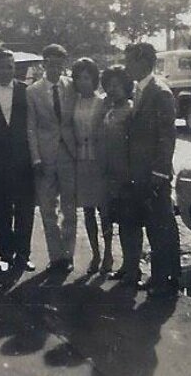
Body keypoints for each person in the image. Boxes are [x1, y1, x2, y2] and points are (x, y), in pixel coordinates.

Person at [125, 42, 181, 298]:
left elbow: (167, 137)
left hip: (154, 174)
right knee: (153, 224)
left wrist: (159, 174)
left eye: (130, 61)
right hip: (140, 172)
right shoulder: (139, 89)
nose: (126, 66)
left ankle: (167, 279)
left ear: (143, 62)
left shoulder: (160, 93)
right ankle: (161, 277)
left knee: (161, 226)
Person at [0, 49, 36, 273]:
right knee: (1, 211)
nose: (6, 70)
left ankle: (23, 254)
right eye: (2, 66)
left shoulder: (26, 91)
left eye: (10, 66)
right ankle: (5, 255)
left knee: (25, 210)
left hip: (23, 162)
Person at [27, 43, 78, 273]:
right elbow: (31, 127)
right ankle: (55, 256)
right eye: (51, 63)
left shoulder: (73, 87)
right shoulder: (33, 91)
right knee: (48, 208)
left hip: (69, 153)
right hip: (45, 157)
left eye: (59, 63)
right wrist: (35, 158)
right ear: (44, 63)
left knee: (69, 208)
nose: (55, 68)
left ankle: (68, 255)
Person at [101, 65, 143, 287]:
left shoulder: (131, 110)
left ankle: (134, 268)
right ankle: (127, 265)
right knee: (120, 223)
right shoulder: (110, 109)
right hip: (111, 176)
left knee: (131, 223)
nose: (112, 89)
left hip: (128, 175)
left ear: (126, 86)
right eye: (109, 85)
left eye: (117, 85)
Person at [71, 57, 112, 275]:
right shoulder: (74, 102)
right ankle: (95, 253)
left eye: (86, 78)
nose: (82, 82)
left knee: (103, 210)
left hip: (98, 162)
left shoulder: (103, 102)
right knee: (87, 211)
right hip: (81, 161)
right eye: (78, 78)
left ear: (94, 79)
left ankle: (108, 254)